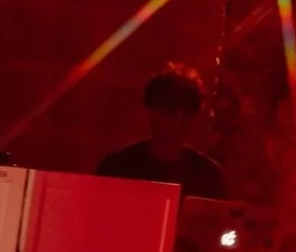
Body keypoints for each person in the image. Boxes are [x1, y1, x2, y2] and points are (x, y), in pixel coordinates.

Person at [96, 65, 226, 198]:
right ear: (152, 108)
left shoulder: (209, 174)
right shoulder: (117, 166)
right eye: (171, 105)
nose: (180, 116)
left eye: (189, 107)